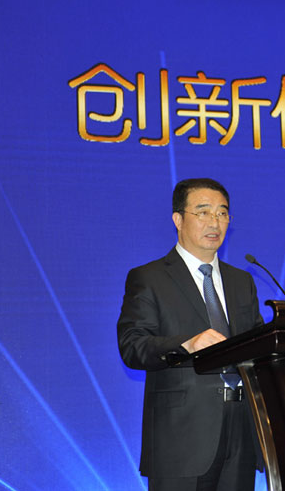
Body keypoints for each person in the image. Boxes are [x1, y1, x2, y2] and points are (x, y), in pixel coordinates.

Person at [117, 178, 263, 491]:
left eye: (222, 213)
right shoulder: (149, 277)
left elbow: (257, 344)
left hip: (241, 431)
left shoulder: (242, 281)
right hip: (180, 438)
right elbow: (133, 346)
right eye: (203, 212)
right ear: (178, 219)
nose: (215, 222)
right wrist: (186, 345)